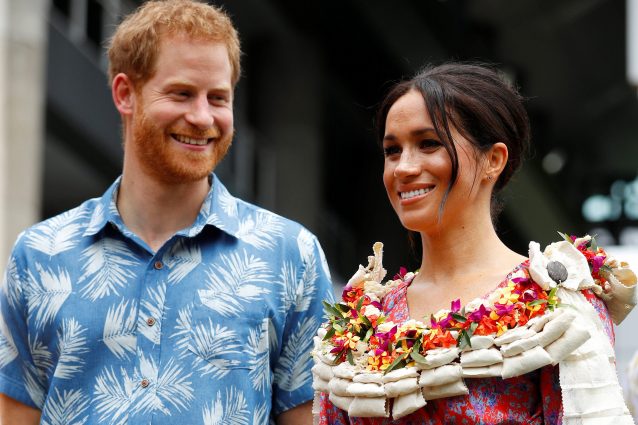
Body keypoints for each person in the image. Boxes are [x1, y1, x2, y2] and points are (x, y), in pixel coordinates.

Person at [0, 1, 333, 424]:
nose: (202, 117)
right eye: (182, 94)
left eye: (218, 98)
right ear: (125, 93)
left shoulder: (291, 255)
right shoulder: (41, 253)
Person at [314, 63, 637, 423]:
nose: (403, 167)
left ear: (493, 160)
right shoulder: (360, 323)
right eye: (392, 150)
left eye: (428, 144)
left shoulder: (557, 304)